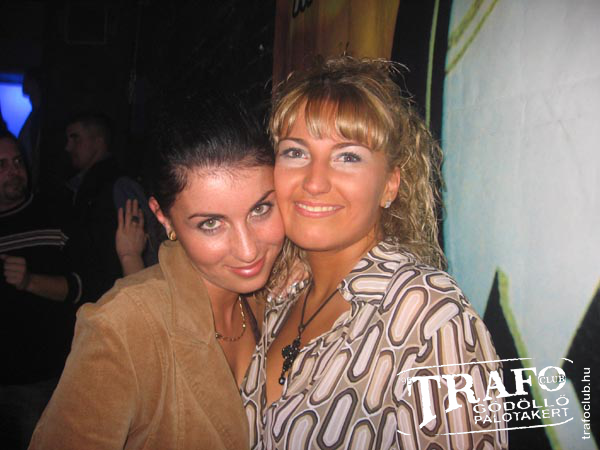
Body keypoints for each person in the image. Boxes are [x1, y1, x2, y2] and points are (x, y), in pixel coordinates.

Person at [241, 57, 509, 449]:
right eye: (296, 152)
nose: (314, 182)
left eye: (348, 156)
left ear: (390, 185)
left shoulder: (429, 317)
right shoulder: (281, 297)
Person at [28, 98, 285, 449]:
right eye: (211, 223)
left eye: (261, 209)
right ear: (163, 218)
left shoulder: (275, 297)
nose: (248, 250)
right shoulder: (122, 326)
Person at [0, 132, 79, 450]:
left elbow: (82, 288)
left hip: (44, 381)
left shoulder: (54, 214)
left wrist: (30, 281)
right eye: (2, 165)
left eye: (18, 161)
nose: (14, 170)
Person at [63, 112, 123, 302]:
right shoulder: (79, 187)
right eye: (68, 140)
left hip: (107, 297)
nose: (68, 147)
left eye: (75, 138)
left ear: (98, 142)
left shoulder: (117, 185)